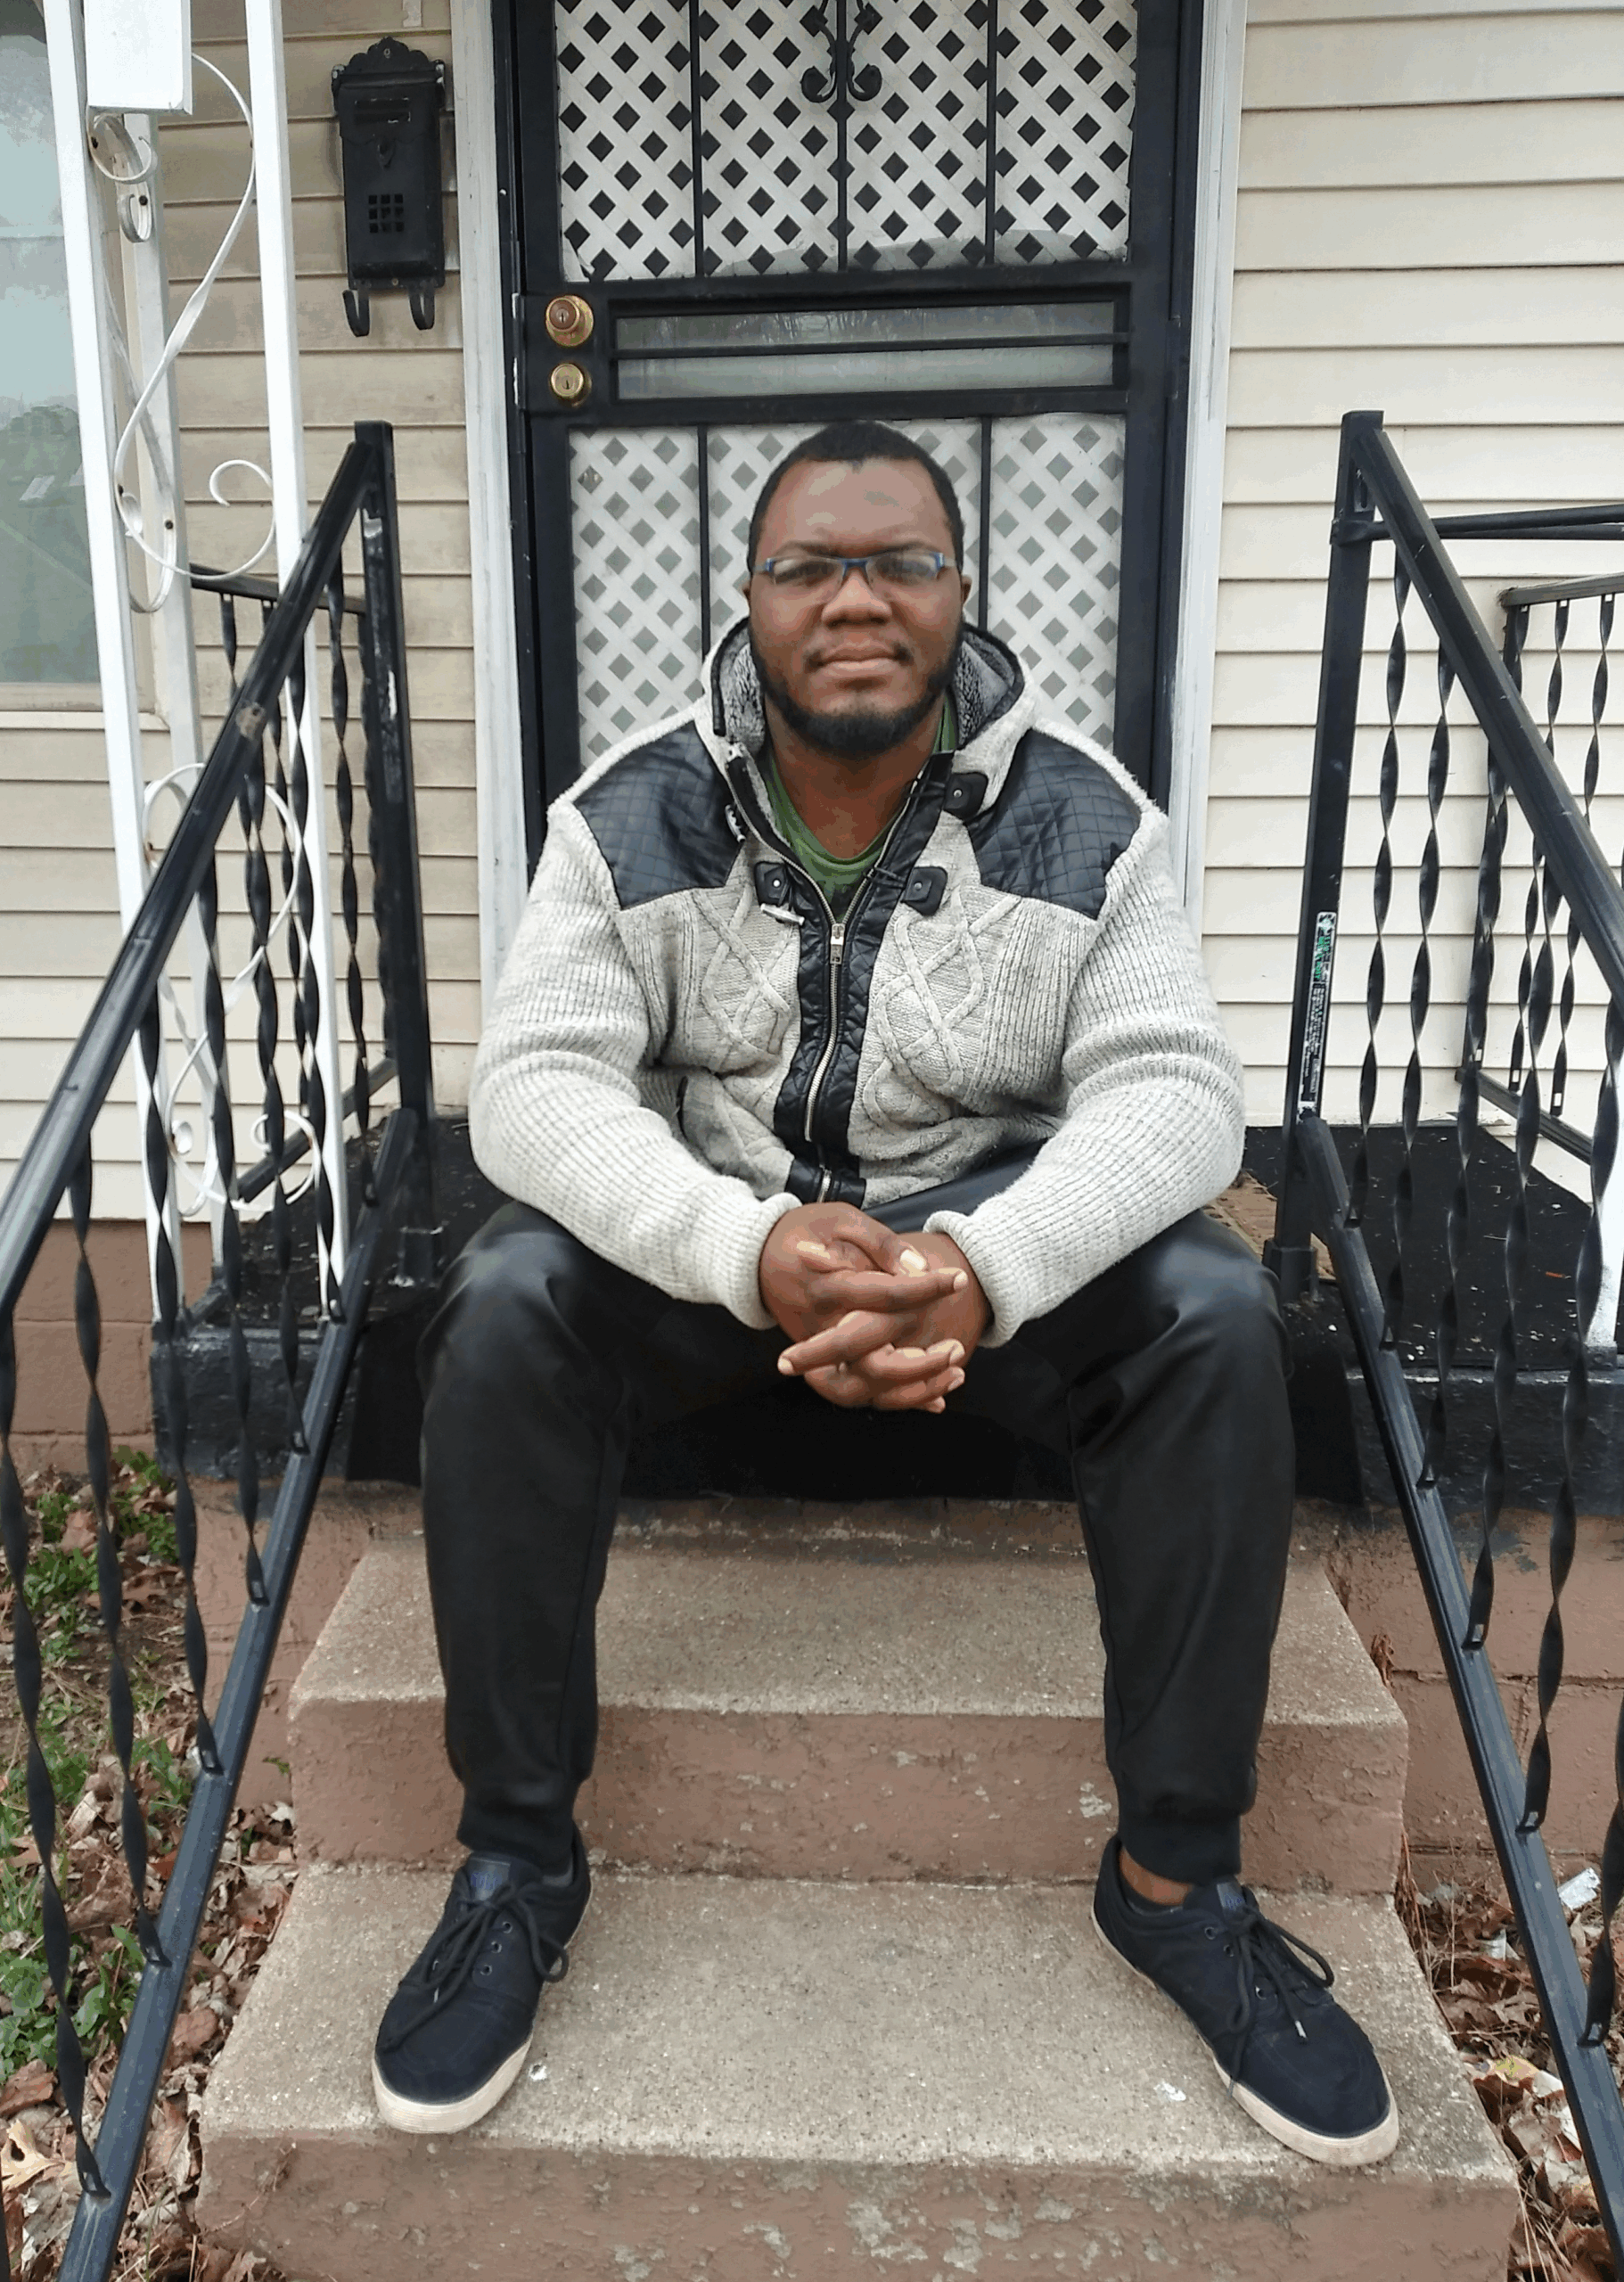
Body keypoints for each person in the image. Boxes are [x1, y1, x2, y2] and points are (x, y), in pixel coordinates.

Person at [369, 420, 1398, 2168]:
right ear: (750, 601)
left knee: (1218, 1315)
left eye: (898, 560)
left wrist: (980, 1267)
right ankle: (515, 1860)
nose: (854, 597)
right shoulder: (627, 814)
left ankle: (1174, 1875)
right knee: (504, 1295)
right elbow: (535, 1082)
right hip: (718, 1267)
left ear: (958, 594)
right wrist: (735, 1243)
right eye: (807, 565)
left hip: (972, 1278)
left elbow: (1173, 1091)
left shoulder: (1088, 817)